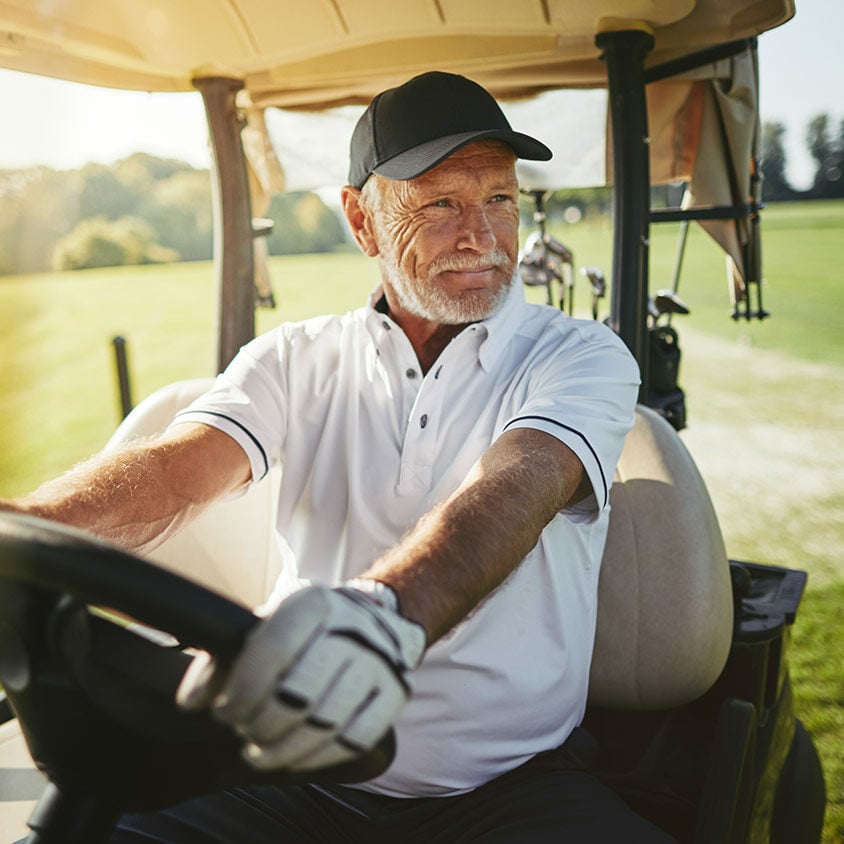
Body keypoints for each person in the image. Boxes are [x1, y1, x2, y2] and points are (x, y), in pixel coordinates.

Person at [2, 72, 675, 843]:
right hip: (281, 769)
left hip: (507, 790)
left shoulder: (580, 355)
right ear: (362, 221)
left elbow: (519, 483)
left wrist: (380, 616)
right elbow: (178, 470)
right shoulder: (294, 358)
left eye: (499, 199)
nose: (484, 237)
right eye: (441, 204)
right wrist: (26, 527)